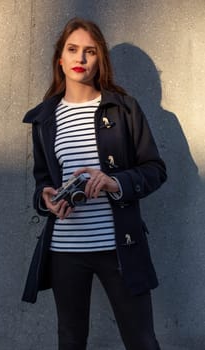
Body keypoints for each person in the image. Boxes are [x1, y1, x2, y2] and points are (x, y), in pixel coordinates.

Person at [22, 17, 167, 350]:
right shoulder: (45, 118)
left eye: (90, 51)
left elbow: (155, 169)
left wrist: (114, 182)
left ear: (100, 59)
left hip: (120, 246)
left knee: (141, 340)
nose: (81, 59)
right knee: (70, 340)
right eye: (72, 50)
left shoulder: (124, 108)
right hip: (65, 250)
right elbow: (43, 181)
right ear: (60, 58)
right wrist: (46, 198)